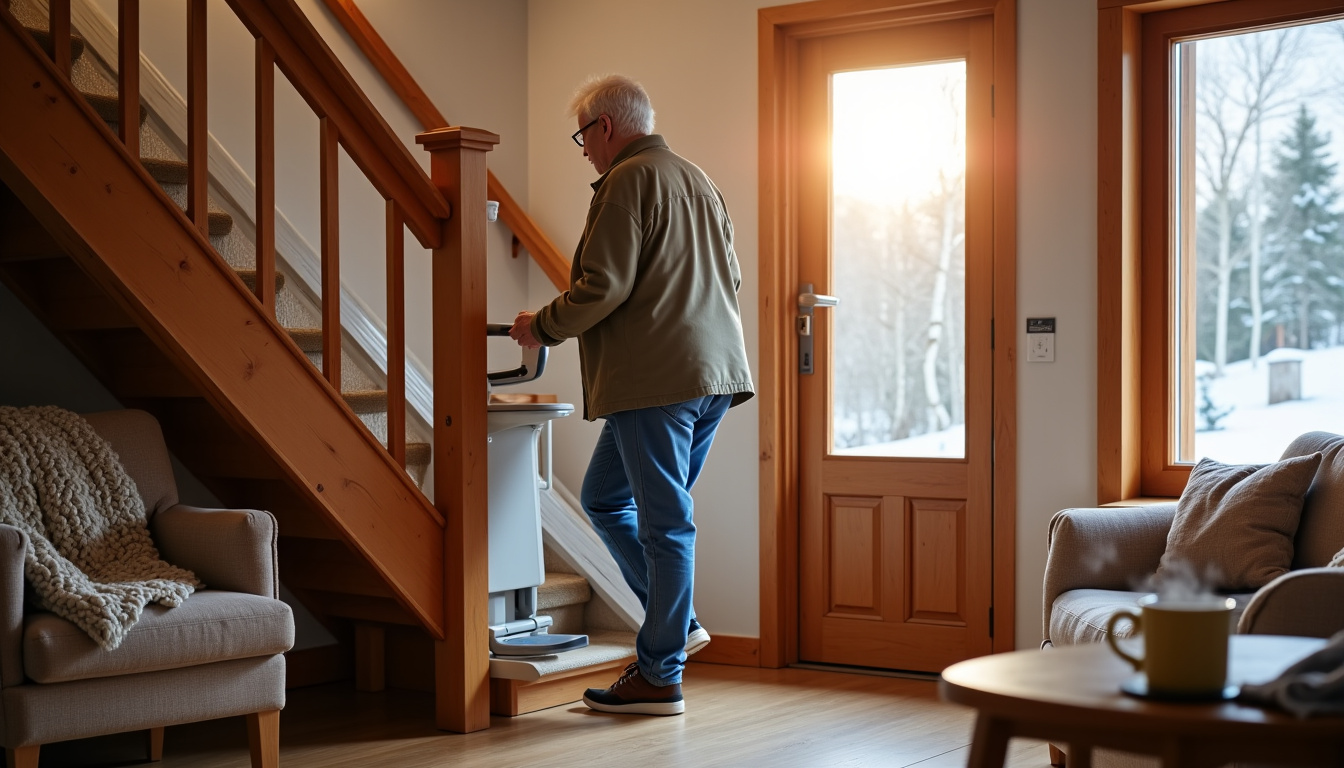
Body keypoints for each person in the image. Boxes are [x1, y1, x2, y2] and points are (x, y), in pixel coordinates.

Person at [509, 74, 753, 716]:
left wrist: (542, 325)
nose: (583, 150)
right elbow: (731, 278)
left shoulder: (624, 181)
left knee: (666, 524)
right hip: (713, 378)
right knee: (606, 498)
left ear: (604, 128)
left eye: (581, 137)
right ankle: (679, 625)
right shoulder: (700, 181)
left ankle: (659, 673)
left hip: (657, 383)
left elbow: (604, 285)